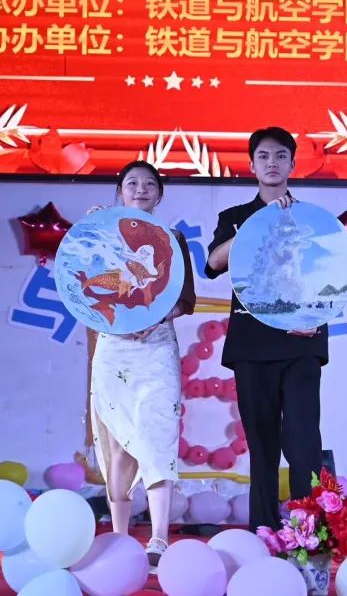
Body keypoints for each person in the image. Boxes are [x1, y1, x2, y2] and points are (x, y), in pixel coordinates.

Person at [204, 126, 327, 531]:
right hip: (253, 344)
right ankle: (264, 530)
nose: (271, 163)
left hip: (301, 341)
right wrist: (259, 223)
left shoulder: (312, 219)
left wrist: (314, 318)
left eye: (280, 156)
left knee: (304, 440)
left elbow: (330, 275)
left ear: (293, 164)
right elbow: (215, 263)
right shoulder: (236, 218)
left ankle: (309, 531)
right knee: (262, 445)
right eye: (263, 156)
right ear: (252, 165)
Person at [87, 160, 195, 566]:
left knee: (157, 436)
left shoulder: (173, 239)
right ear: (120, 192)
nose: (140, 189)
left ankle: (159, 538)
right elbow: (83, 286)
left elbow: (185, 298)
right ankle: (119, 539)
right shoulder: (100, 234)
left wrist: (156, 317)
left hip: (156, 347)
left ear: (159, 194)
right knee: (118, 443)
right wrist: (91, 232)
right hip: (114, 347)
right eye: (131, 183)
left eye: (149, 184)